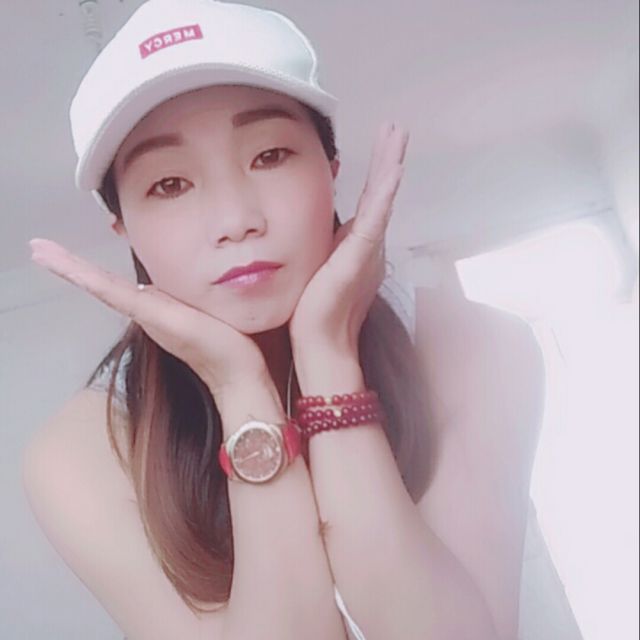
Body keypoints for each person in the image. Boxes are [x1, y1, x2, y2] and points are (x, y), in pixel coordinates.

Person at [22, 1, 546, 639]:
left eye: (269, 155)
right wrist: (240, 390)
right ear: (124, 229)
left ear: (331, 171)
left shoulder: (479, 346)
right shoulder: (83, 451)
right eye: (170, 185)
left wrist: (329, 356)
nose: (236, 219)